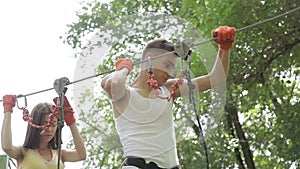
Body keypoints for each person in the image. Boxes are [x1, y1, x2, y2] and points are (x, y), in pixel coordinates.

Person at [101, 26, 236, 169]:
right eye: (167, 65)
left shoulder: (168, 89)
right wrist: (123, 68)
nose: (170, 73)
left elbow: (216, 79)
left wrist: (224, 48)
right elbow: (113, 84)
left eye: (173, 68)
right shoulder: (125, 94)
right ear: (150, 58)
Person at [1, 95, 86, 169]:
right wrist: (8, 111)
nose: (49, 130)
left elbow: (81, 155)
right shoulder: (23, 152)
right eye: (45, 124)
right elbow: (7, 147)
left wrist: (71, 121)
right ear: (35, 125)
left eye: (53, 125)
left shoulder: (60, 154)